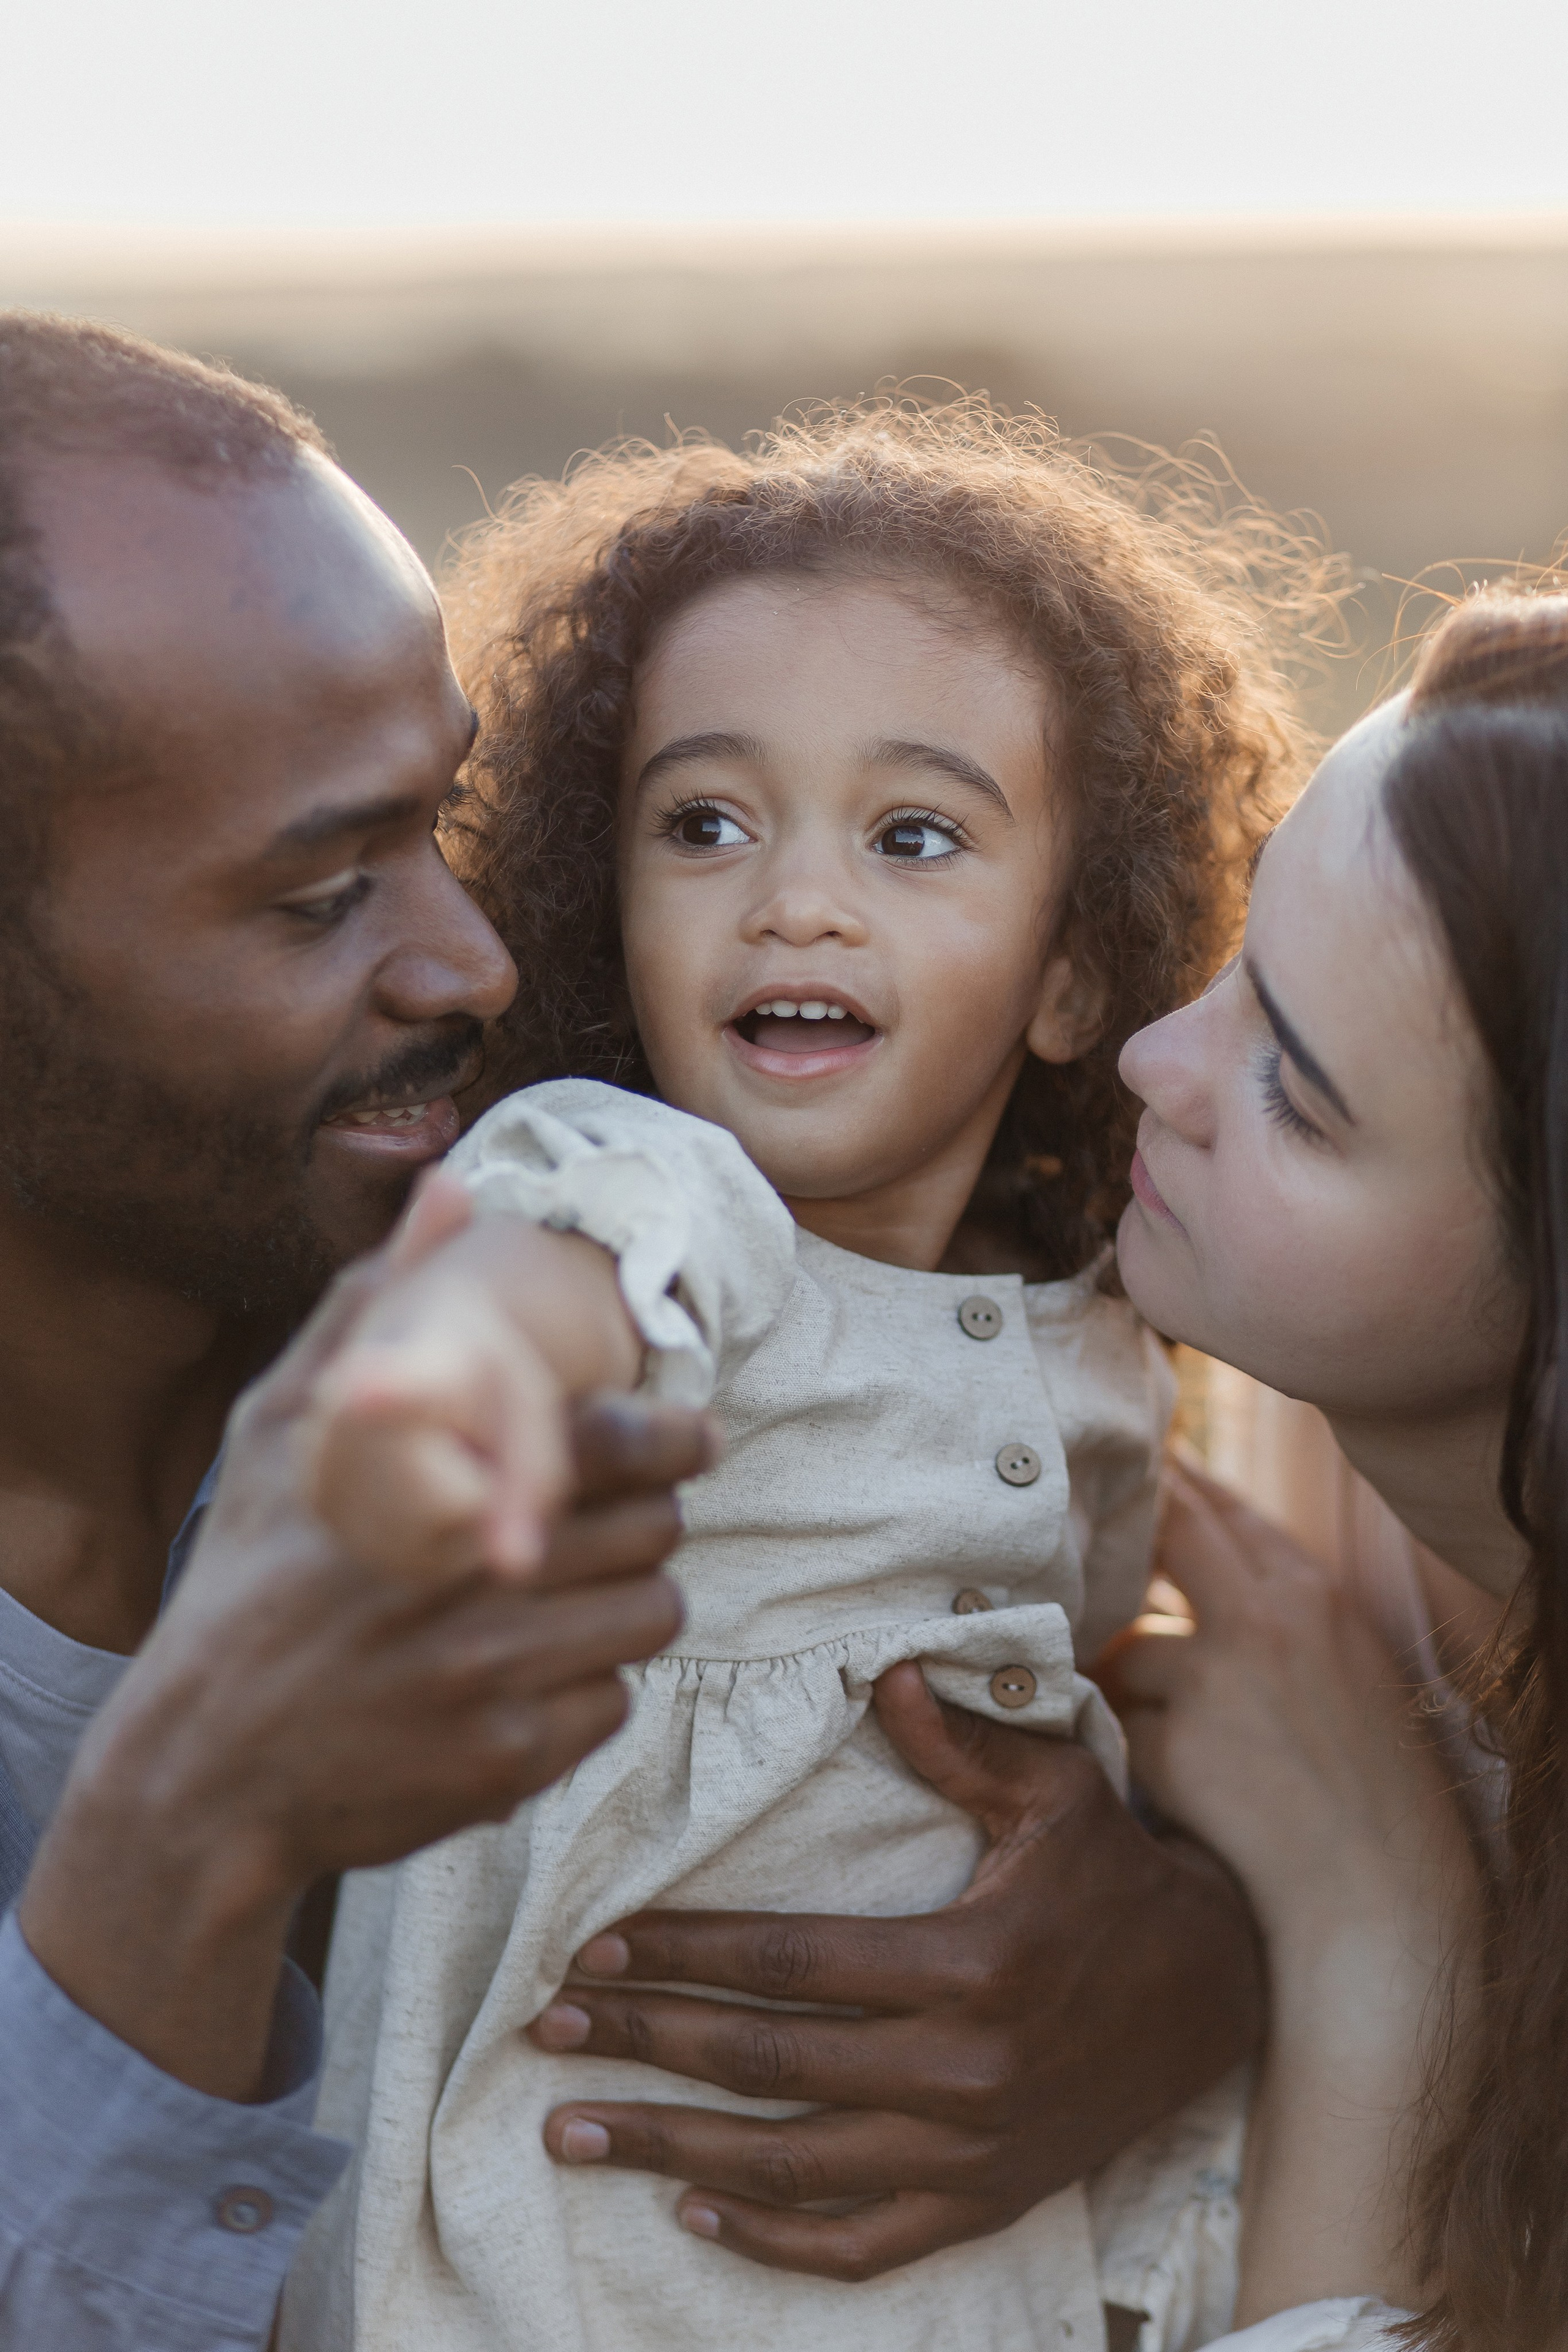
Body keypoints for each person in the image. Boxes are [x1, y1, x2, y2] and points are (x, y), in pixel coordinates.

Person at [0, 318, 1264, 2350]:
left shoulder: (1067, 1313)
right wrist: (192, 1834)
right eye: (325, 891)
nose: (478, 952)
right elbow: (561, 1251)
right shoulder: (588, 1219)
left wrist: (1187, 1952)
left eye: (449, 822)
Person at [1106, 586, 1568, 2350]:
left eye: (1294, 1092)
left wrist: (1380, 1927)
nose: (1158, 1061)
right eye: (1240, 954)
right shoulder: (1218, 1411)